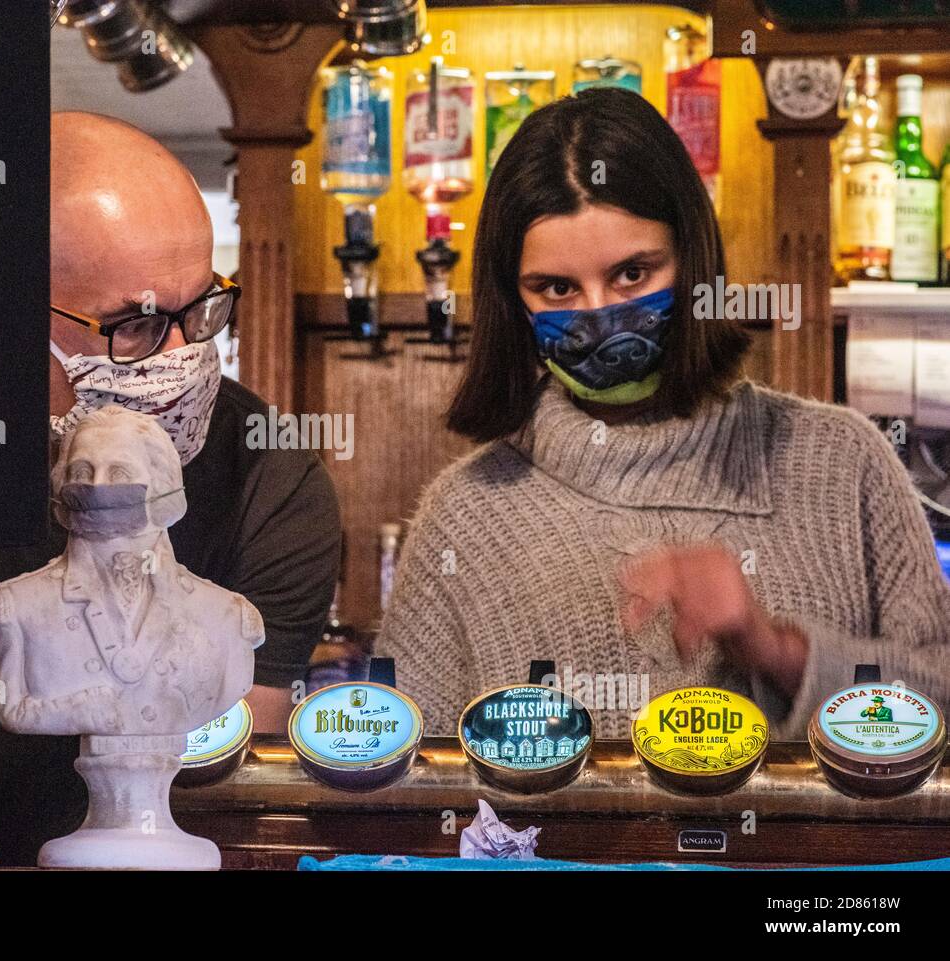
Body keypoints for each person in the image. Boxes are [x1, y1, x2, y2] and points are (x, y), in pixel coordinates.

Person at [377, 88, 950, 740]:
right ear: (514, 300)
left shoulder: (843, 464)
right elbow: (405, 791)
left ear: (693, 257)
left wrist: (777, 652)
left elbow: (942, 706)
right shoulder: (467, 515)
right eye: (558, 288)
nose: (598, 313)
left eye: (632, 274)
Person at [0, 112, 340, 866]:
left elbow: (215, 781)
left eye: (202, 309)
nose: (186, 354)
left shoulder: (271, 477)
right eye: (137, 323)